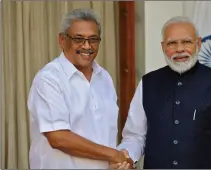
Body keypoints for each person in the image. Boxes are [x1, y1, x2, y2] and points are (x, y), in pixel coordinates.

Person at [114, 16, 211, 169]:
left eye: (186, 42)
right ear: (163, 47)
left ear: (198, 44)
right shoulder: (148, 83)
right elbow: (135, 136)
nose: (179, 49)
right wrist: (125, 156)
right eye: (172, 43)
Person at [27, 9, 133, 169]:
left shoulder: (104, 78)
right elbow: (58, 137)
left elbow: (105, 135)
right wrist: (113, 154)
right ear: (62, 40)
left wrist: (117, 162)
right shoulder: (49, 79)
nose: (87, 46)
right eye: (79, 39)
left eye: (93, 39)